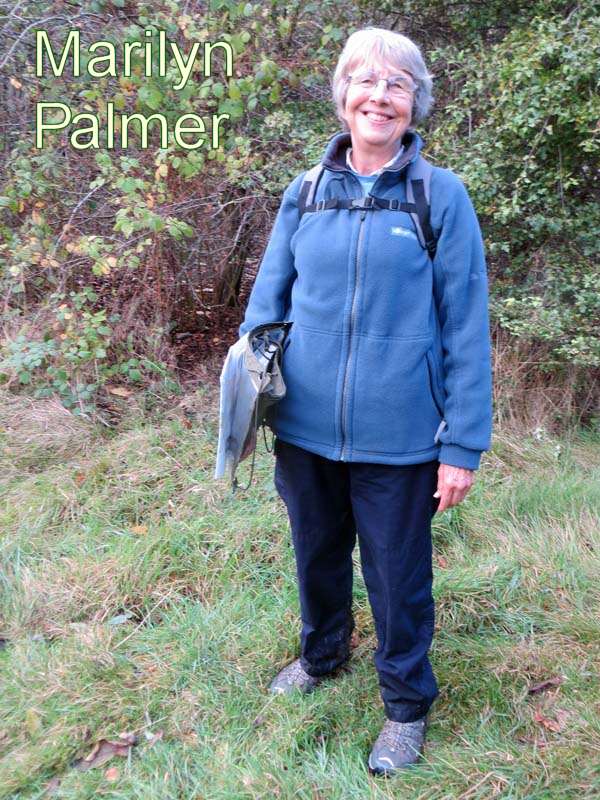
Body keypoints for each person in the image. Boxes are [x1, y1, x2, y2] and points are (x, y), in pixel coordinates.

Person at [238, 27, 492, 776]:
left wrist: (461, 444)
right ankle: (322, 656)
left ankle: (406, 707)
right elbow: (266, 307)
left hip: (401, 435)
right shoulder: (306, 192)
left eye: (397, 85)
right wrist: (249, 396)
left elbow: (465, 325)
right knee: (316, 554)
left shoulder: (439, 197)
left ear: (415, 104)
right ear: (343, 95)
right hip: (305, 428)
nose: (380, 97)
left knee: (397, 575)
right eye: (367, 82)